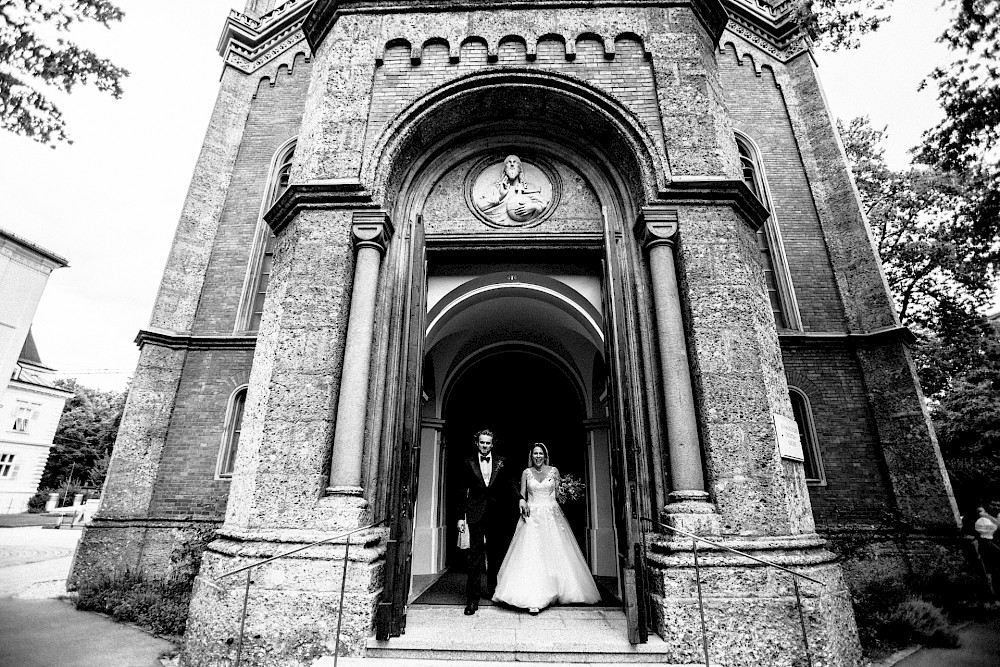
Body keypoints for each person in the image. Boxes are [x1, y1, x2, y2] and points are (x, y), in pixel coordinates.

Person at [492, 442, 601, 614]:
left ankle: (559, 590)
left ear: (545, 455)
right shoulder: (526, 473)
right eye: (535, 453)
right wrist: (521, 503)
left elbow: (558, 495)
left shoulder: (554, 471)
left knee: (555, 552)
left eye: (540, 453)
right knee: (533, 554)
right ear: (531, 455)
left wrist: (567, 491)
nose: (538, 456)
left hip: (551, 515)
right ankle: (534, 598)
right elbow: (522, 494)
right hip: (533, 515)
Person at [456, 429, 522, 616]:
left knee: (495, 555)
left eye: (488, 443)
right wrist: (461, 517)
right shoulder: (467, 463)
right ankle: (472, 599)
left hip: (496, 514)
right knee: (474, 558)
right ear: (477, 443)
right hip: (475, 514)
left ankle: (494, 592)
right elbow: (461, 491)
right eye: (482, 442)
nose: (485, 446)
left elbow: (510, 484)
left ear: (492, 444)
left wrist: (520, 498)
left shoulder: (502, 462)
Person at [475, 155, 549, 224]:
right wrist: (500, 196)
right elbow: (480, 206)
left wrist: (533, 206)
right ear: (504, 169)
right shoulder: (495, 188)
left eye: (515, 162)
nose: (512, 165)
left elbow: (543, 204)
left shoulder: (528, 188)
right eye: (509, 162)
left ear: (520, 169)